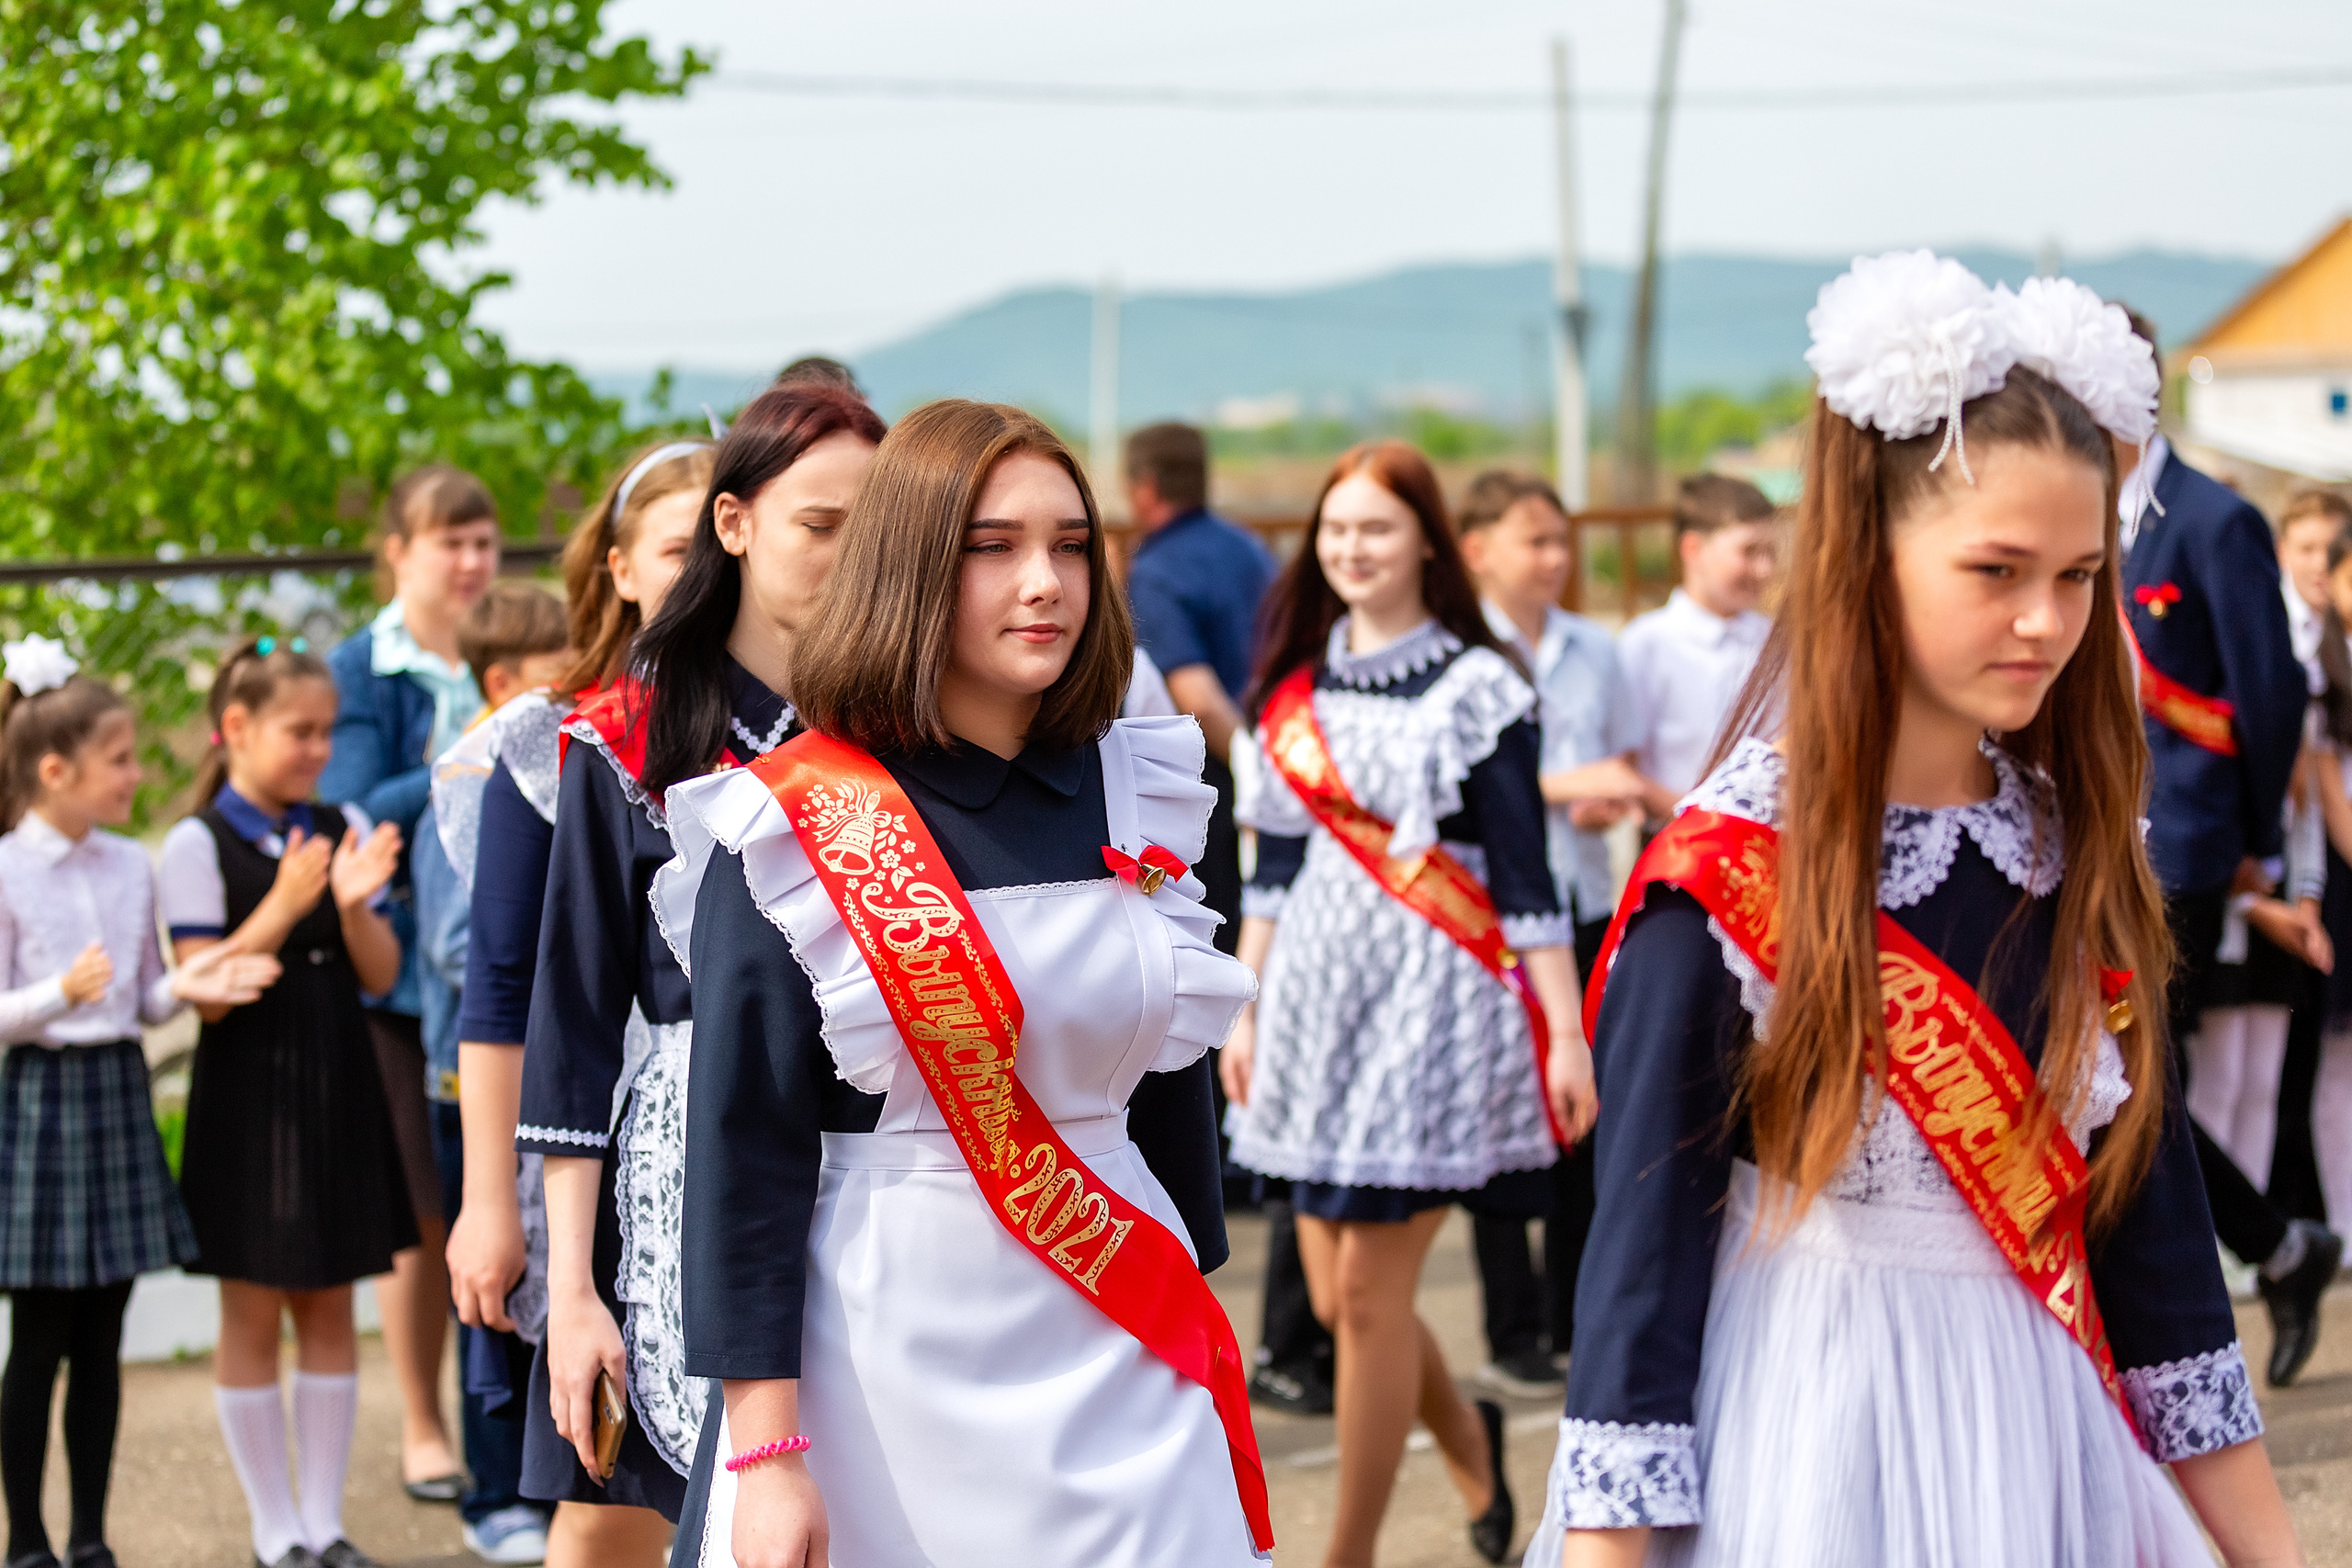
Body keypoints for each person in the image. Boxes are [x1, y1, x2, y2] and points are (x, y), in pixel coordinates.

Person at [1531, 256, 2301, 1568]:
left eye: (2076, 574)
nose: (2047, 620)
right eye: (1996, 568)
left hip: (2053, 1445)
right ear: (1866, 555)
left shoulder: (2074, 850)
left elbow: (2155, 1246)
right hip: (1811, 1439)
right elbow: (1640, 1282)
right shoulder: (1726, 879)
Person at [655, 398, 1265, 1568]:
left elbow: (1164, 1090)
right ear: (909, 565)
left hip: (1122, 1336)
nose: (1044, 581)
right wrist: (765, 1455)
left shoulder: (1144, 788)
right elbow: (745, 1153)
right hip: (885, 1358)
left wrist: (1196, 1304)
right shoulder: (791, 827)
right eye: (994, 547)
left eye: (1071, 545)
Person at [514, 385, 884, 1557]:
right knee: (633, 1513)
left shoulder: (903, 722)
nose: (847, 556)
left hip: (886, 1162)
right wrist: (571, 1291)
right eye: (819, 524)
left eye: (872, 531)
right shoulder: (625, 732)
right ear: (733, 524)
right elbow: (571, 1019)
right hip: (677, 1161)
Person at [1223, 439, 1597, 1568]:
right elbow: (1273, 871)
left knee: (1374, 1304)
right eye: (1335, 530)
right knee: (1337, 1302)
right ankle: (1471, 1447)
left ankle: (1344, 1556)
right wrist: (1243, 1007)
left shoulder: (1480, 691)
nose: (1352, 550)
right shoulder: (1293, 691)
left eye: (1376, 529)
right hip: (1315, 1006)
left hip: (1436, 1006)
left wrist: (1566, 1031)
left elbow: (1526, 883)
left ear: (1428, 541)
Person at [439, 435, 715, 1568]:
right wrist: (490, 1208)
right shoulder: (555, 742)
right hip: (605, 1145)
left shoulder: (826, 728)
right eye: (676, 548)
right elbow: (502, 990)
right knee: (611, 1493)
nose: (705, 575)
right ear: (621, 568)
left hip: (788, 1145)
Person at [0, 637, 276, 1568]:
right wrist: (55, 998)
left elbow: (149, 995)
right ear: (54, 768)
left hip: (115, 1089)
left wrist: (205, 984)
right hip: (40, 1100)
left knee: (103, 1333)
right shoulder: (5, 869)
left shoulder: (130, 866)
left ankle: (88, 1537)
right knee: (37, 1336)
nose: (135, 774)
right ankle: (27, 1538)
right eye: (118, 760)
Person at [2114, 310, 2343, 1389]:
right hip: (2097, 841)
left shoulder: (2206, 519)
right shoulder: (2079, 515)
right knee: (2123, 1080)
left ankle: (2222, 1283)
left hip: (2188, 844)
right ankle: (2277, 1246)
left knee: (2131, 1076)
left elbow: (2268, 685)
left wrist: (2252, 840)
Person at [162, 638, 413, 1568]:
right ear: (235, 729)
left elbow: (380, 971)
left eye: (325, 731)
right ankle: (275, 1530)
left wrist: (350, 907)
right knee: (253, 1308)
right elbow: (204, 981)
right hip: (248, 1085)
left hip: (335, 1074)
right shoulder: (197, 843)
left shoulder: (337, 821)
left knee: (330, 1303)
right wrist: (285, 899)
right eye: (296, 732)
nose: (316, 749)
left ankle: (325, 1523)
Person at [1119, 423, 1327, 1416]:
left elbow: (1194, 695)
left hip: (1213, 801)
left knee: (1196, 992)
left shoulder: (1154, 572)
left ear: (1143, 488)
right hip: (1276, 799)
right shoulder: (1250, 546)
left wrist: (1259, 777)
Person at [320, 464, 500, 1501]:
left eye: (483, 541)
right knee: (422, 1211)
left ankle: (476, 1416)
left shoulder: (508, 644)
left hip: (493, 952)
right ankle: (423, 1424)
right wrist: (464, 754)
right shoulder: (362, 668)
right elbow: (345, 809)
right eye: (451, 543)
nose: (474, 561)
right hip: (396, 969)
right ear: (398, 552)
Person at [1456, 469, 1645, 1395]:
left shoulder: (1594, 649)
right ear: (1474, 548)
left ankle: (1575, 1308)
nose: (1554, 560)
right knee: (1503, 1112)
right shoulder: (1457, 654)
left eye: (1561, 542)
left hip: (1579, 901)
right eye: (1533, 541)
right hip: (1488, 922)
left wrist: (1597, 802)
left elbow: (1618, 759)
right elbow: (1457, 799)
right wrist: (1568, 789)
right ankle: (1510, 1325)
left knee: (1587, 1110)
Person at [415, 582, 571, 1566]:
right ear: (505, 683)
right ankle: (492, 1490)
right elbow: (460, 950)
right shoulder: (473, 777)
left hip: (545, 1080)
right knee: (490, 1292)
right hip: (471, 1086)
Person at [1616, 476, 1776, 818]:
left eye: (1770, 553)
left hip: (1763, 846)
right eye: (1748, 552)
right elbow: (1624, 764)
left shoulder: (1777, 642)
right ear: (1693, 549)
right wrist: (1700, 819)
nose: (1764, 569)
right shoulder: (1647, 643)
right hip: (1673, 844)